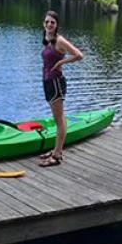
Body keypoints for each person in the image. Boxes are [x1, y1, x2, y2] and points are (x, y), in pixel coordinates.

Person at [39, 10, 83, 167]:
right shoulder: (46, 39)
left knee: (59, 120)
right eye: (47, 22)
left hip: (56, 82)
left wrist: (61, 63)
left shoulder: (60, 40)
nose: (49, 24)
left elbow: (79, 55)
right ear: (43, 24)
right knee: (59, 117)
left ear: (56, 25)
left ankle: (57, 155)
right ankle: (56, 150)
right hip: (47, 82)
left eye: (52, 22)